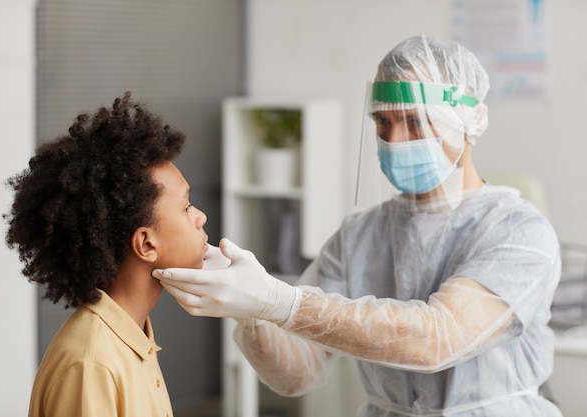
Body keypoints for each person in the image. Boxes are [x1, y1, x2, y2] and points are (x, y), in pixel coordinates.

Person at [153, 35, 563, 416]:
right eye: (383, 122)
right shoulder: (359, 236)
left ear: (467, 121)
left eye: (415, 122)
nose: (395, 139)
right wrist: (254, 313)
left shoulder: (519, 231)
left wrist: (282, 302)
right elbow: (296, 375)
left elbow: (436, 340)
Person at [4, 92, 209, 417]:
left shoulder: (132, 339)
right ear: (146, 244)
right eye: (186, 207)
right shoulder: (92, 364)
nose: (201, 217)